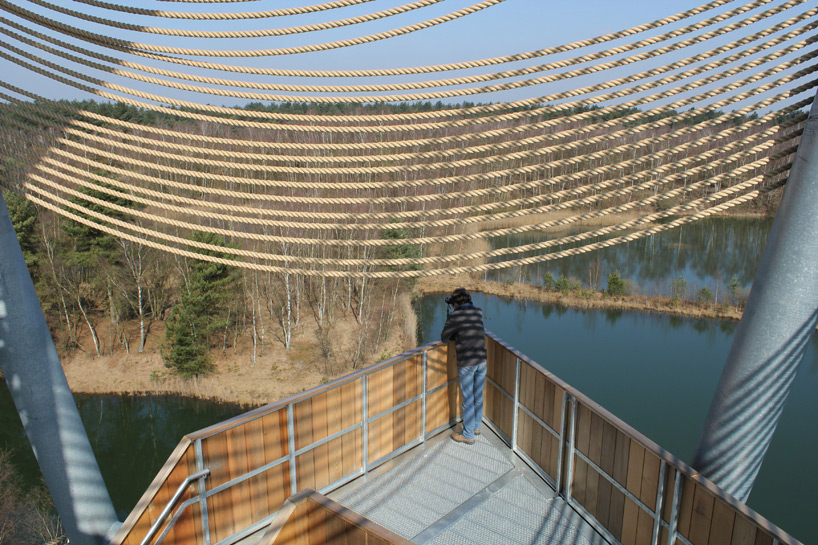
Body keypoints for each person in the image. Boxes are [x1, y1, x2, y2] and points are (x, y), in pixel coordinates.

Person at [440, 288, 487, 445]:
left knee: (467, 398)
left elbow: (444, 337)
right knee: (478, 395)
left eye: (453, 304)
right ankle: (476, 427)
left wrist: (451, 321)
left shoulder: (455, 315)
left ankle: (467, 435)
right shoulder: (478, 311)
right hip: (482, 359)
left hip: (467, 362)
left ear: (455, 303)